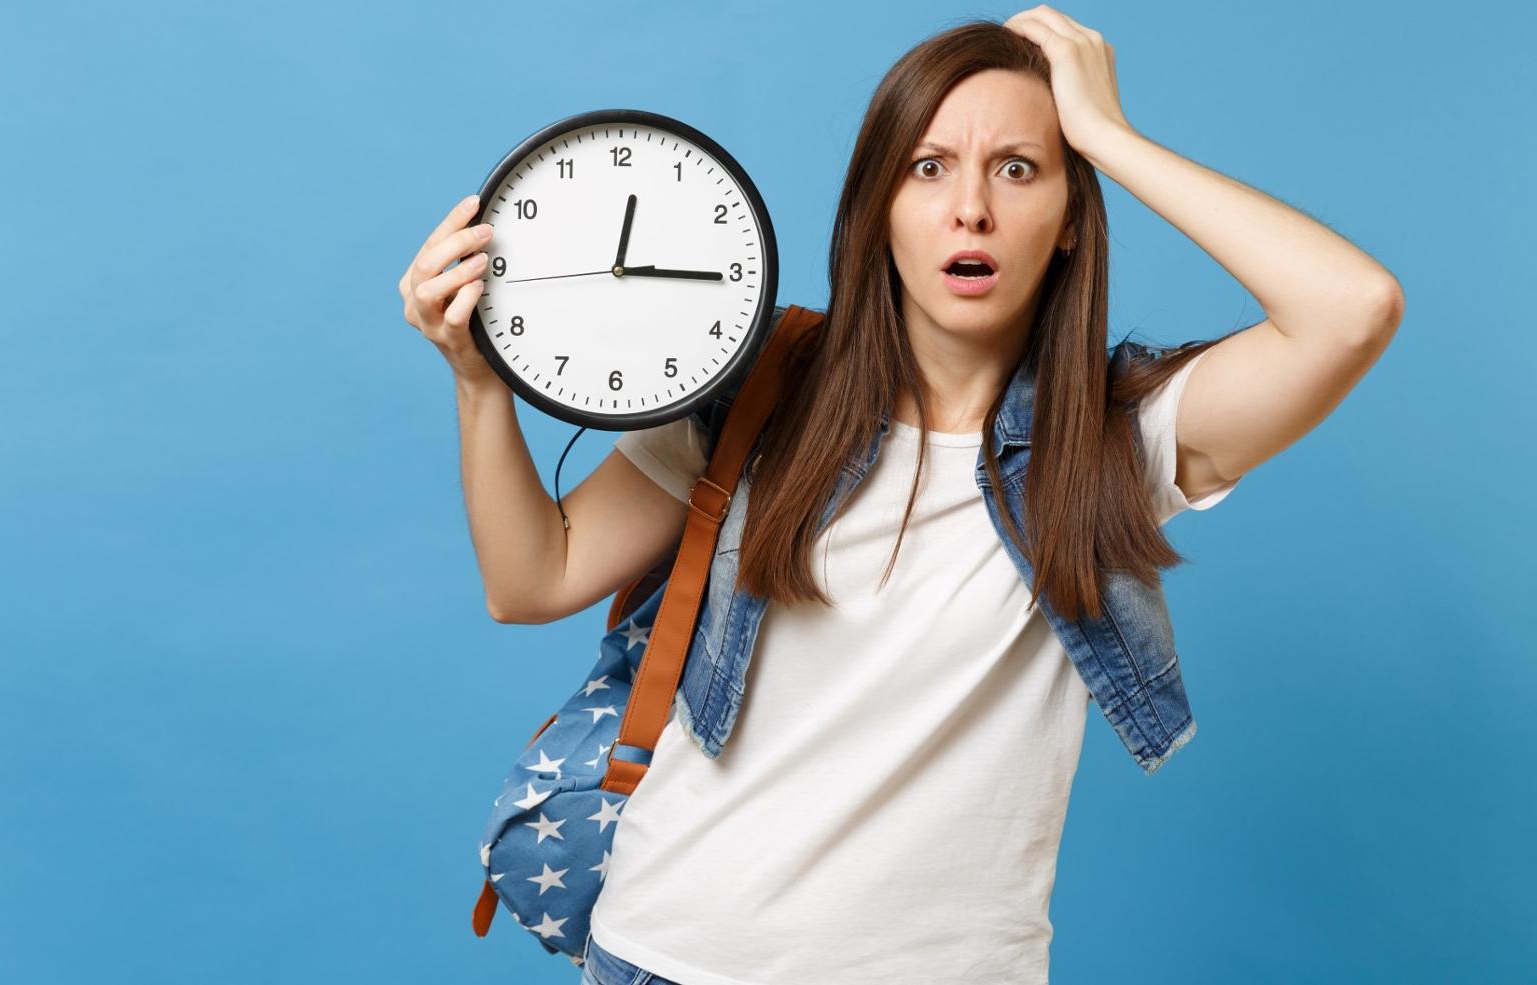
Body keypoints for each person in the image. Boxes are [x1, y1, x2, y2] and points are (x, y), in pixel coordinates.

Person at [398, 8, 1403, 984]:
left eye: (1019, 168)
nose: (971, 207)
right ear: (880, 208)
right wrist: (478, 382)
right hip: (672, 956)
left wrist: (1107, 134)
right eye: (929, 169)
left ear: (1067, 220)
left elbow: (1351, 311)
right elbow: (530, 579)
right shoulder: (758, 392)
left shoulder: (1113, 438)